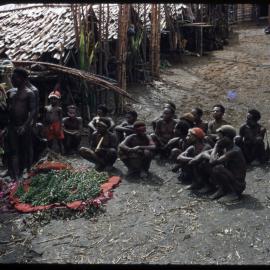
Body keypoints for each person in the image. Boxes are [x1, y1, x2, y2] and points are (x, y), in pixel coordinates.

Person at [6, 68, 36, 180]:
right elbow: (7, 110)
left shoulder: (30, 93)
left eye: (15, 78)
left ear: (23, 79)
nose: (12, 80)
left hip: (24, 125)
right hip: (12, 126)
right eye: (12, 78)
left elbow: (32, 111)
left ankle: (28, 171)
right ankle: (16, 175)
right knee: (14, 151)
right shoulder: (10, 93)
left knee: (25, 149)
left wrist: (25, 126)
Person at [208, 125, 246, 202]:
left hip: (238, 184)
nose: (217, 139)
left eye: (220, 137)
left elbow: (212, 161)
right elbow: (209, 155)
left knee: (217, 168)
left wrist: (216, 146)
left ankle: (233, 193)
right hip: (232, 177)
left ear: (227, 137)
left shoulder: (234, 151)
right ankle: (222, 189)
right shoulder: (225, 148)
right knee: (208, 164)